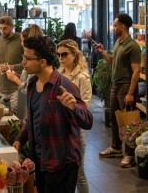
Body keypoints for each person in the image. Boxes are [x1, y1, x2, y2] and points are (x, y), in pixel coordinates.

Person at [13, 36, 93, 193]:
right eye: (24, 57)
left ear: (42, 62)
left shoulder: (65, 86)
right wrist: (20, 139)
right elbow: (32, 119)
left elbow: (88, 121)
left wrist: (73, 107)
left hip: (61, 163)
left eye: (27, 59)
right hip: (40, 160)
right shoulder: (31, 84)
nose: (23, 62)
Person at [94, 13, 141, 168]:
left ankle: (129, 155)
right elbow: (113, 62)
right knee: (114, 119)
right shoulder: (119, 43)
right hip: (115, 85)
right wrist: (103, 52)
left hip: (126, 87)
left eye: (115, 25)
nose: (113, 28)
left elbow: (136, 71)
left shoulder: (132, 46)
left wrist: (130, 93)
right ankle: (115, 148)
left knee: (128, 122)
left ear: (122, 26)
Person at [57, 39, 92, 193]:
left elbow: (85, 106)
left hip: (76, 129)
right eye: (58, 55)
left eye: (64, 54)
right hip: (60, 129)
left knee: (79, 172)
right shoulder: (58, 74)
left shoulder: (82, 77)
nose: (61, 58)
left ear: (74, 55)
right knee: (63, 172)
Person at [6, 24, 44, 120]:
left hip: (31, 106)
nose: (21, 43)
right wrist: (18, 75)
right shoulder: (32, 58)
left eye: (22, 41)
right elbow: (28, 80)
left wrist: (14, 79)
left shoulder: (35, 61)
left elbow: (28, 88)